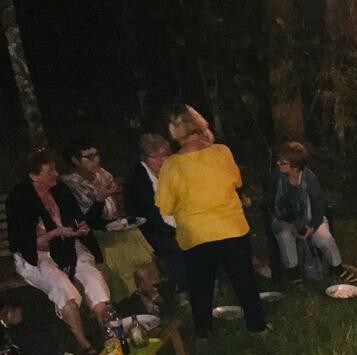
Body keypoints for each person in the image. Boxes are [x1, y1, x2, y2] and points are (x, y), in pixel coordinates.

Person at [156, 103, 267, 338]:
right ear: (198, 123)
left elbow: (164, 205)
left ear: (174, 131)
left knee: (200, 285)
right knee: (244, 279)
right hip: (231, 228)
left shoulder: (171, 165)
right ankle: (257, 327)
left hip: (197, 233)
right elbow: (236, 182)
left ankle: (204, 332)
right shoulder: (222, 152)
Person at [5, 147, 112, 352]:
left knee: (93, 277)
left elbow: (76, 218)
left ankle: (111, 333)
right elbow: (23, 243)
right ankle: (84, 344)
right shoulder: (19, 200)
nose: (55, 174)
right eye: (49, 171)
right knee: (62, 287)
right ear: (33, 175)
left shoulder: (60, 189)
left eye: (55, 169)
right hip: (36, 255)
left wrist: (79, 227)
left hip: (66, 246)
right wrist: (56, 233)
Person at [62, 140, 161, 312]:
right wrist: (100, 198)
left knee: (131, 235)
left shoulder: (102, 174)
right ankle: (140, 293)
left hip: (113, 227)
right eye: (89, 157)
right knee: (117, 250)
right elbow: (86, 220)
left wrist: (111, 197)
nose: (95, 160)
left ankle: (143, 288)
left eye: (97, 155)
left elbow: (113, 208)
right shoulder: (70, 184)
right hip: (93, 234)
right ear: (75, 160)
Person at [267, 141, 357, 286]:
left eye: (283, 162)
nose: (278, 164)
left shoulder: (309, 178)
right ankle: (293, 274)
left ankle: (338, 268)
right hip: (284, 218)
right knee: (284, 236)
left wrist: (312, 226)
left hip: (309, 218)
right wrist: (290, 219)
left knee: (324, 238)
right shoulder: (277, 177)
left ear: (294, 166)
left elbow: (318, 205)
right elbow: (272, 202)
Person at [123, 133, 189, 305]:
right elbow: (148, 213)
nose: (162, 161)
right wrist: (173, 230)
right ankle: (182, 293)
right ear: (145, 158)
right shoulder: (137, 178)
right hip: (148, 229)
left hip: (173, 220)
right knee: (177, 247)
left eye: (165, 155)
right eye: (156, 157)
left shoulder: (172, 169)